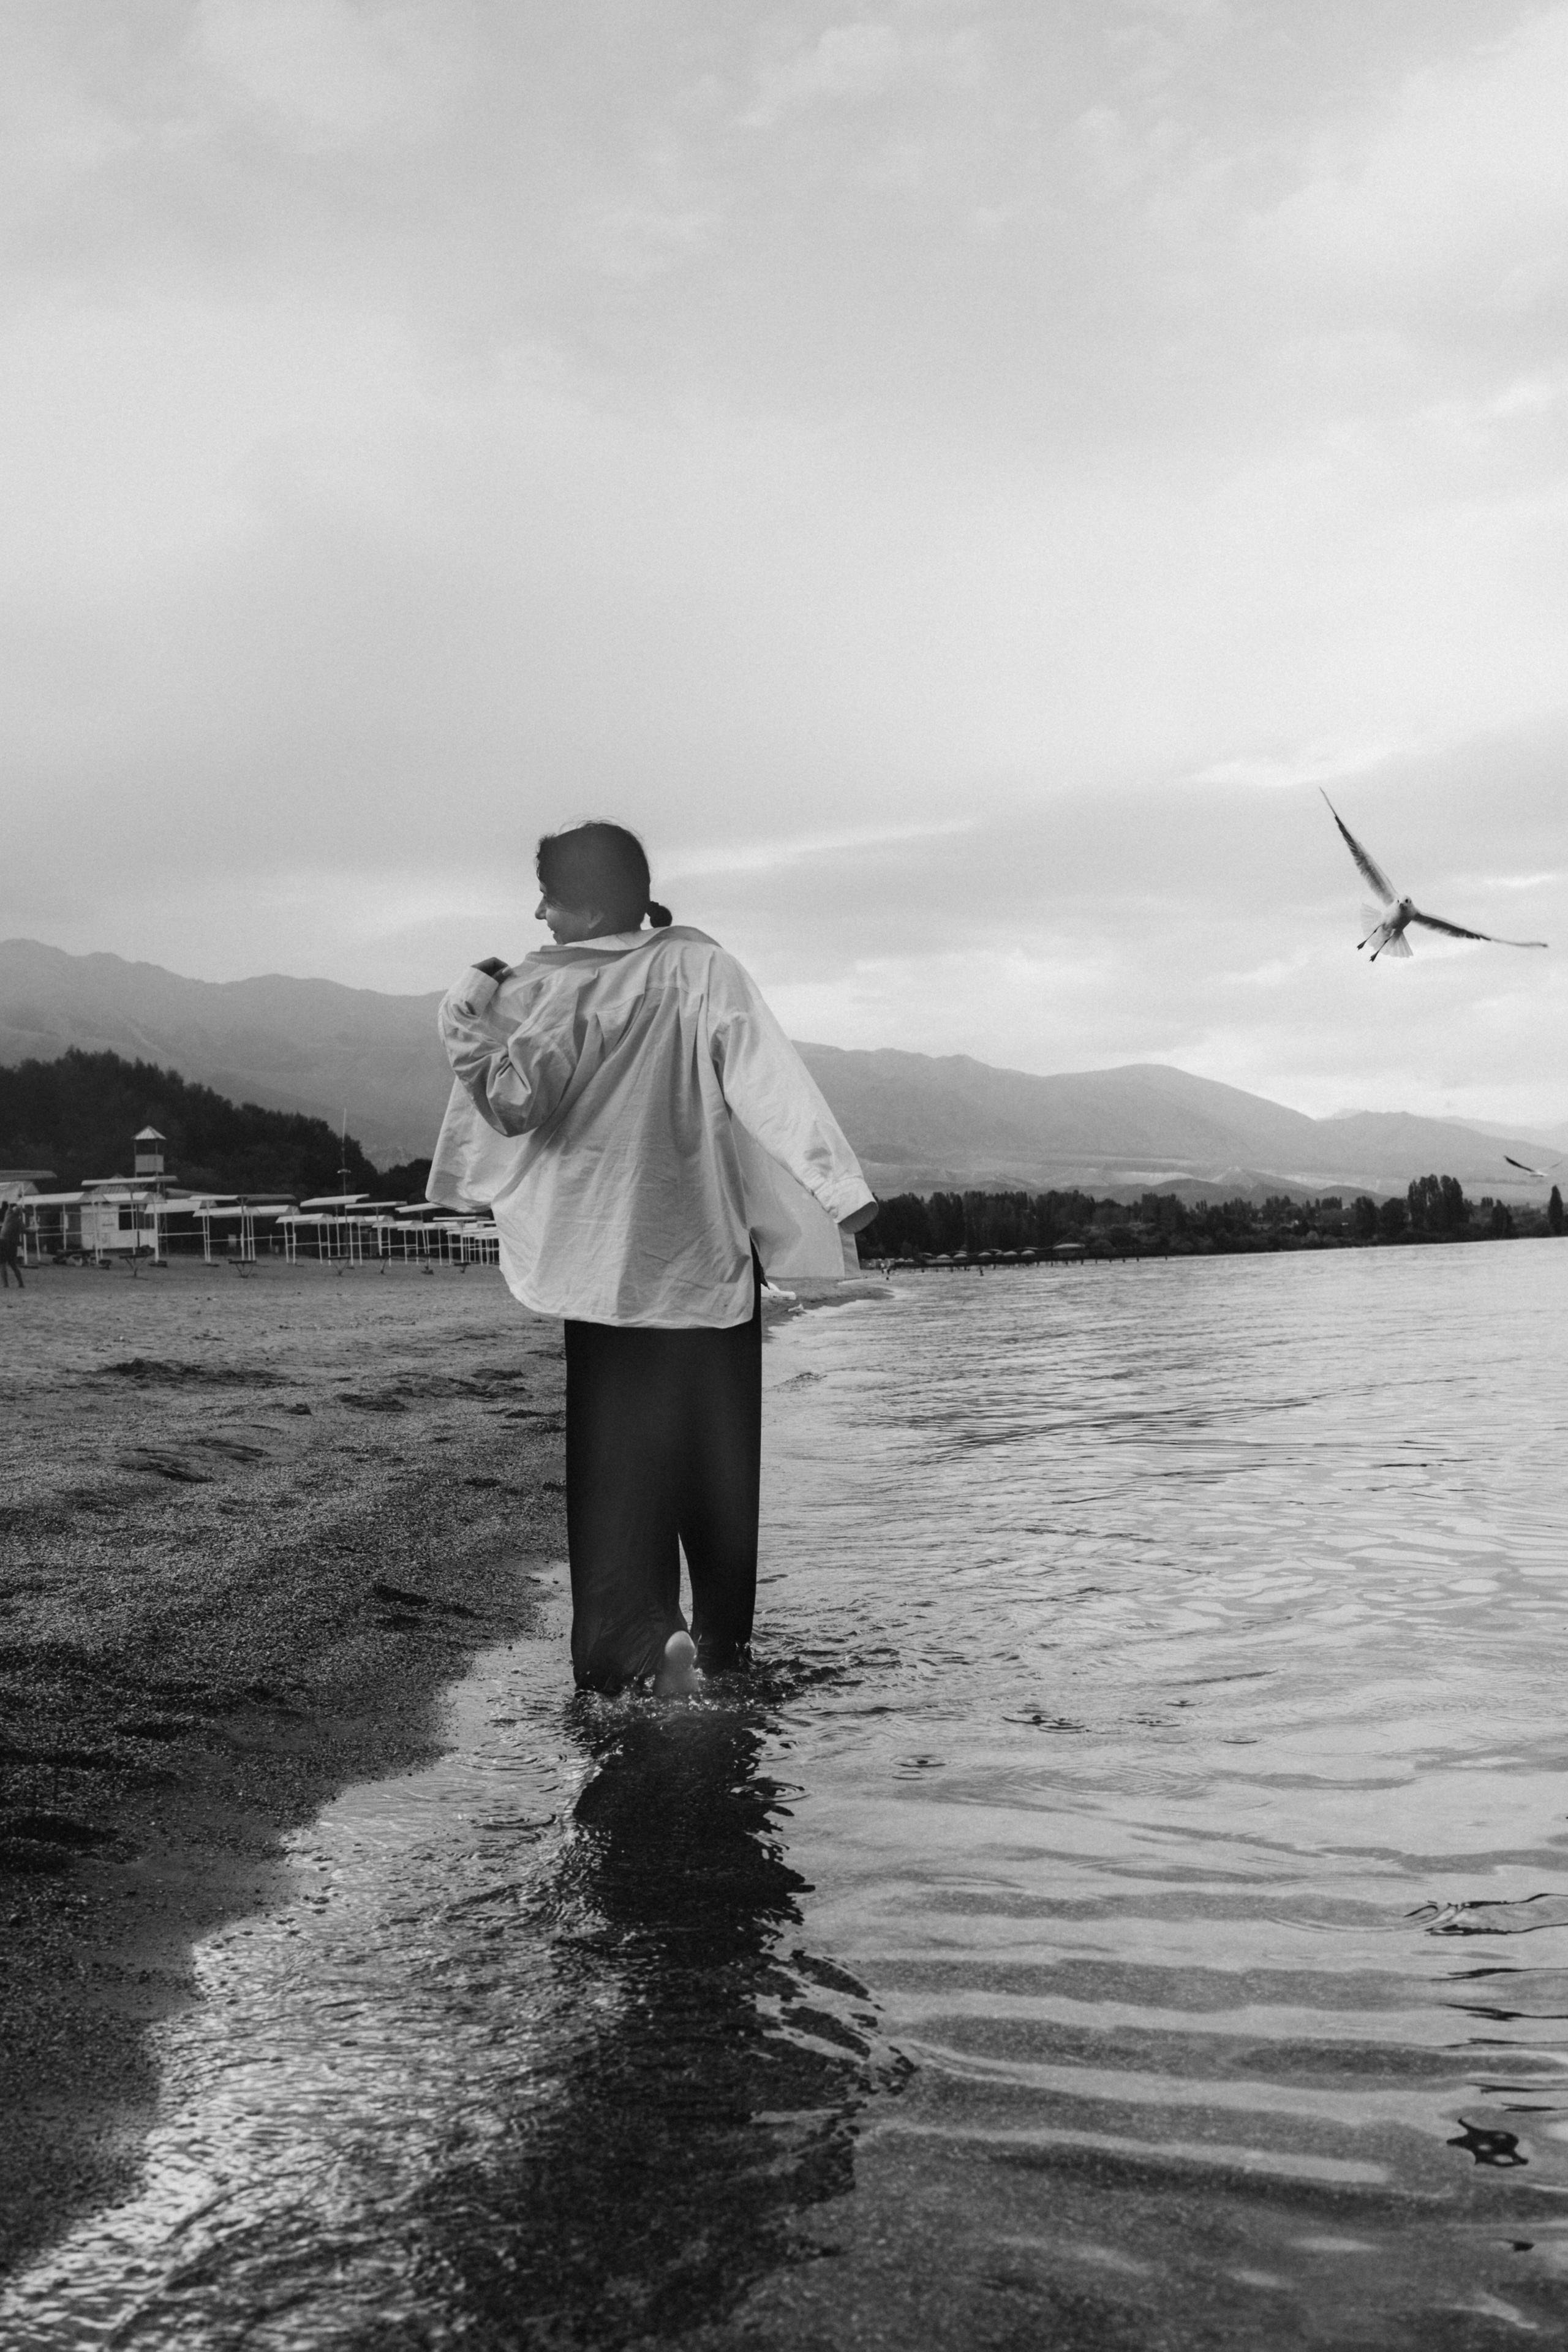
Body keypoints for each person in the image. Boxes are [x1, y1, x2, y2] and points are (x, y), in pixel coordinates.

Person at [430, 821, 876, 1697]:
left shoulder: (549, 990)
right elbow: (773, 1082)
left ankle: (635, 1650)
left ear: (592, 907)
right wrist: (838, 1187)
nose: (540, 915)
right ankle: (723, 1652)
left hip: (604, 1270)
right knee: (716, 1469)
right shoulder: (703, 968)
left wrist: (461, 1018)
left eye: (550, 898)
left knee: (617, 1471)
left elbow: (513, 1104)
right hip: (705, 1264)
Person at [0, 1198, 24, 1289]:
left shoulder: (8, 1215)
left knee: (2, 1264)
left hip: (2, 1242)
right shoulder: (19, 1222)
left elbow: (10, 1208)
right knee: (13, 1265)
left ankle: (6, 1284)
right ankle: (21, 1283)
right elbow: (25, 1231)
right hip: (12, 1244)